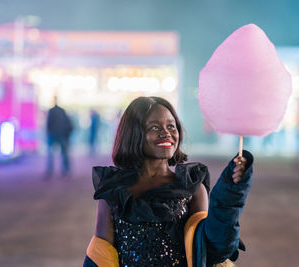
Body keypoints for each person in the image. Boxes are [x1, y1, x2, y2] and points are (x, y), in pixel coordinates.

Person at [83, 96, 254, 266]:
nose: (166, 132)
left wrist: (230, 191)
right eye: (155, 127)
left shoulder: (192, 189)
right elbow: (102, 254)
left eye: (171, 126)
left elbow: (211, 245)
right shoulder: (114, 191)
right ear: (133, 134)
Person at [46, 96, 73, 177]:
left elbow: (48, 124)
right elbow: (68, 123)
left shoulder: (51, 111)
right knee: (64, 153)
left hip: (54, 134)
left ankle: (50, 170)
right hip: (61, 134)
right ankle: (66, 169)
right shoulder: (62, 111)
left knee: (51, 153)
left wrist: (49, 133)